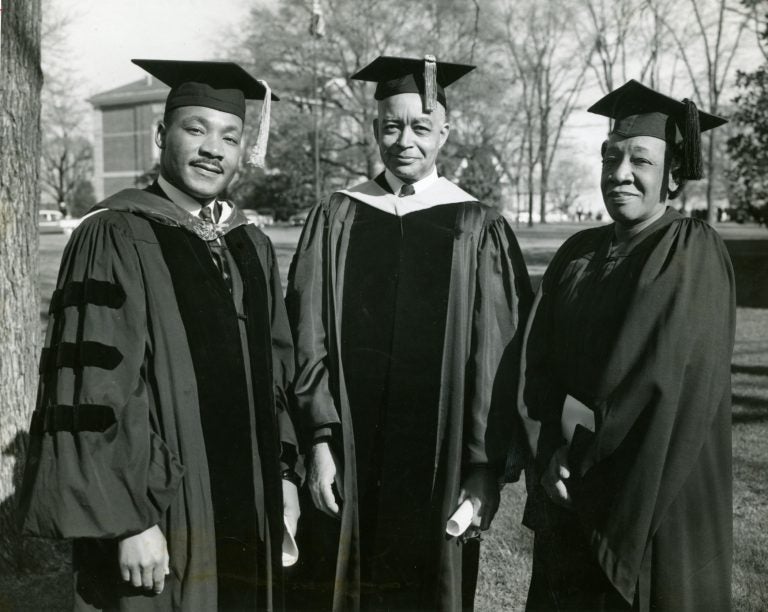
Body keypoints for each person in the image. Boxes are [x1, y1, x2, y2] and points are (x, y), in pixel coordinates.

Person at [19, 59, 300, 611]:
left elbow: (276, 373)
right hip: (162, 511)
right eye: (195, 129)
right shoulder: (115, 233)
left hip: (250, 505)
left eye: (229, 137)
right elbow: (94, 392)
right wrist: (128, 521)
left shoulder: (251, 246)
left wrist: (284, 473)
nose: (212, 149)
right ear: (160, 135)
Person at [286, 55, 533, 611]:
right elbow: (307, 336)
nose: (406, 140)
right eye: (392, 125)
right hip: (348, 455)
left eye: (421, 126)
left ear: (444, 132)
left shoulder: (476, 225)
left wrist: (482, 467)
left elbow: (496, 360)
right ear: (375, 128)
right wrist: (320, 446)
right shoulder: (337, 216)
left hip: (443, 463)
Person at [519, 79, 735, 611]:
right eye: (611, 157)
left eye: (640, 160)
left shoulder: (689, 250)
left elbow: (657, 381)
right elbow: (533, 360)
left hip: (651, 496)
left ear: (672, 174)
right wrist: (548, 454)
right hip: (566, 487)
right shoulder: (577, 251)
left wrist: (579, 464)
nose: (619, 174)